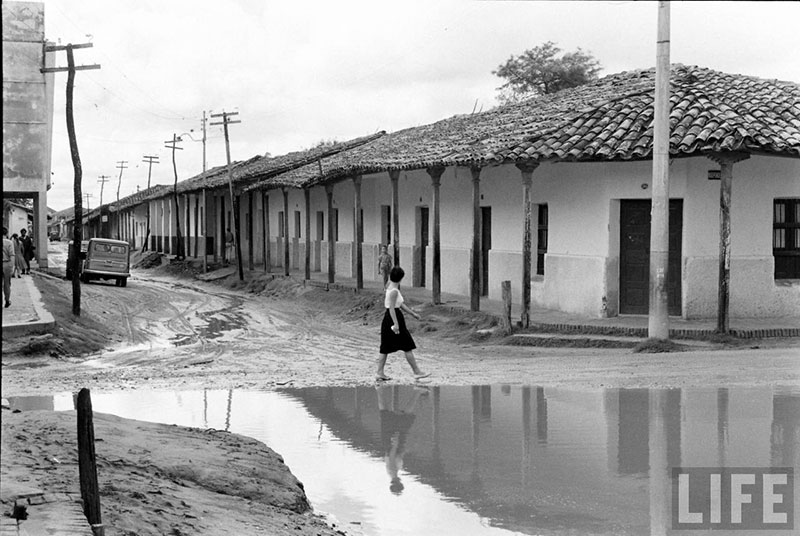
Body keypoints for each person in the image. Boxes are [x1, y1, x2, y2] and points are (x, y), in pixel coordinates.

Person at [376, 266, 430, 381]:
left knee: (385, 347)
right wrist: (396, 324)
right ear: (401, 279)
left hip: (388, 318)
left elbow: (399, 304)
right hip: (393, 317)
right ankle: (417, 372)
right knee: (407, 345)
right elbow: (392, 308)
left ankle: (380, 372)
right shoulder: (394, 291)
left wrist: (412, 313)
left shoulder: (389, 285)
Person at [377, 384, 428, 494]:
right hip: (393, 444)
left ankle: (417, 392)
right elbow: (397, 457)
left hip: (392, 443)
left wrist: (395, 443)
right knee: (387, 414)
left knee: (404, 416)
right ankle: (379, 389)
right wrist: (406, 450)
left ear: (398, 483)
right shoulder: (393, 473)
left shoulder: (393, 472)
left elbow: (391, 457)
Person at [2, 227, 14, 307]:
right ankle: (7, 300)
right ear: (6, 233)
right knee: (7, 284)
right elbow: (12, 255)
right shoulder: (9, 243)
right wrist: (12, 267)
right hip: (6, 264)